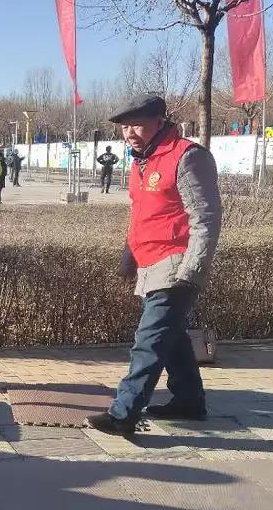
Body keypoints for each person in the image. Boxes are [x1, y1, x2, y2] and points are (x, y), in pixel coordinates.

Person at [87, 95, 222, 435]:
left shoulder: (188, 156)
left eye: (137, 125)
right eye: (125, 127)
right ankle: (189, 401)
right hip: (150, 263)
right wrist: (128, 257)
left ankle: (123, 414)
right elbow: (142, 216)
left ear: (159, 122)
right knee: (171, 338)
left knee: (149, 340)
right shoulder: (141, 161)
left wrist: (191, 272)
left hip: (176, 265)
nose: (129, 133)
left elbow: (205, 219)